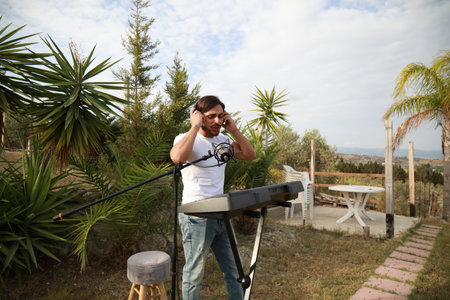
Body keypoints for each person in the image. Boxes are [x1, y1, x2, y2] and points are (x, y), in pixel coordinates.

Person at [170, 95, 256, 300]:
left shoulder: (224, 141)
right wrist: (194, 127)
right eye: (211, 117)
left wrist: (233, 130)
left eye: (220, 116)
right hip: (196, 217)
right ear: (198, 116)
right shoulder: (186, 138)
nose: (217, 121)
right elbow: (177, 157)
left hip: (221, 215)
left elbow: (250, 155)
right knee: (194, 275)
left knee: (234, 270)